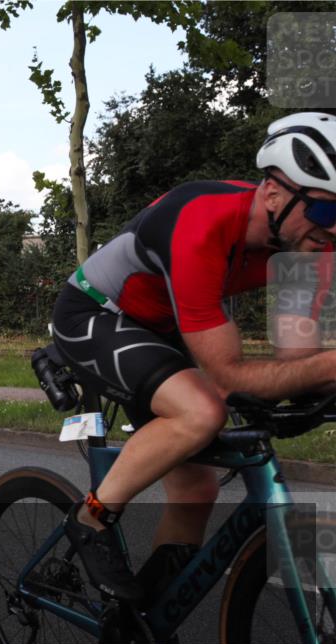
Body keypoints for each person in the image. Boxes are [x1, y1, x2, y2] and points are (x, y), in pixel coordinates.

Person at [51, 112, 336, 602]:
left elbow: (298, 362)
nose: (335, 231)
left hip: (168, 329)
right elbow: (228, 379)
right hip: (96, 316)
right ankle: (90, 519)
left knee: (197, 489)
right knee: (202, 410)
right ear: (273, 193)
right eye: (328, 213)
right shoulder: (201, 219)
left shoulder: (310, 250)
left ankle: (144, 623)